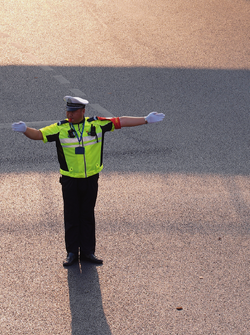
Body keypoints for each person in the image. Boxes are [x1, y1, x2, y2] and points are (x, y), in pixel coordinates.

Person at [12, 96, 165, 267]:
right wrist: (26, 130)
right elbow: (39, 135)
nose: (69, 115)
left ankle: (87, 251)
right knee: (71, 216)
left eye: (73, 112)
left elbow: (120, 121)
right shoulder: (60, 128)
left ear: (83, 112)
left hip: (91, 179)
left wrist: (145, 120)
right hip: (70, 180)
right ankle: (71, 252)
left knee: (87, 214)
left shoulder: (96, 124)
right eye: (67, 111)